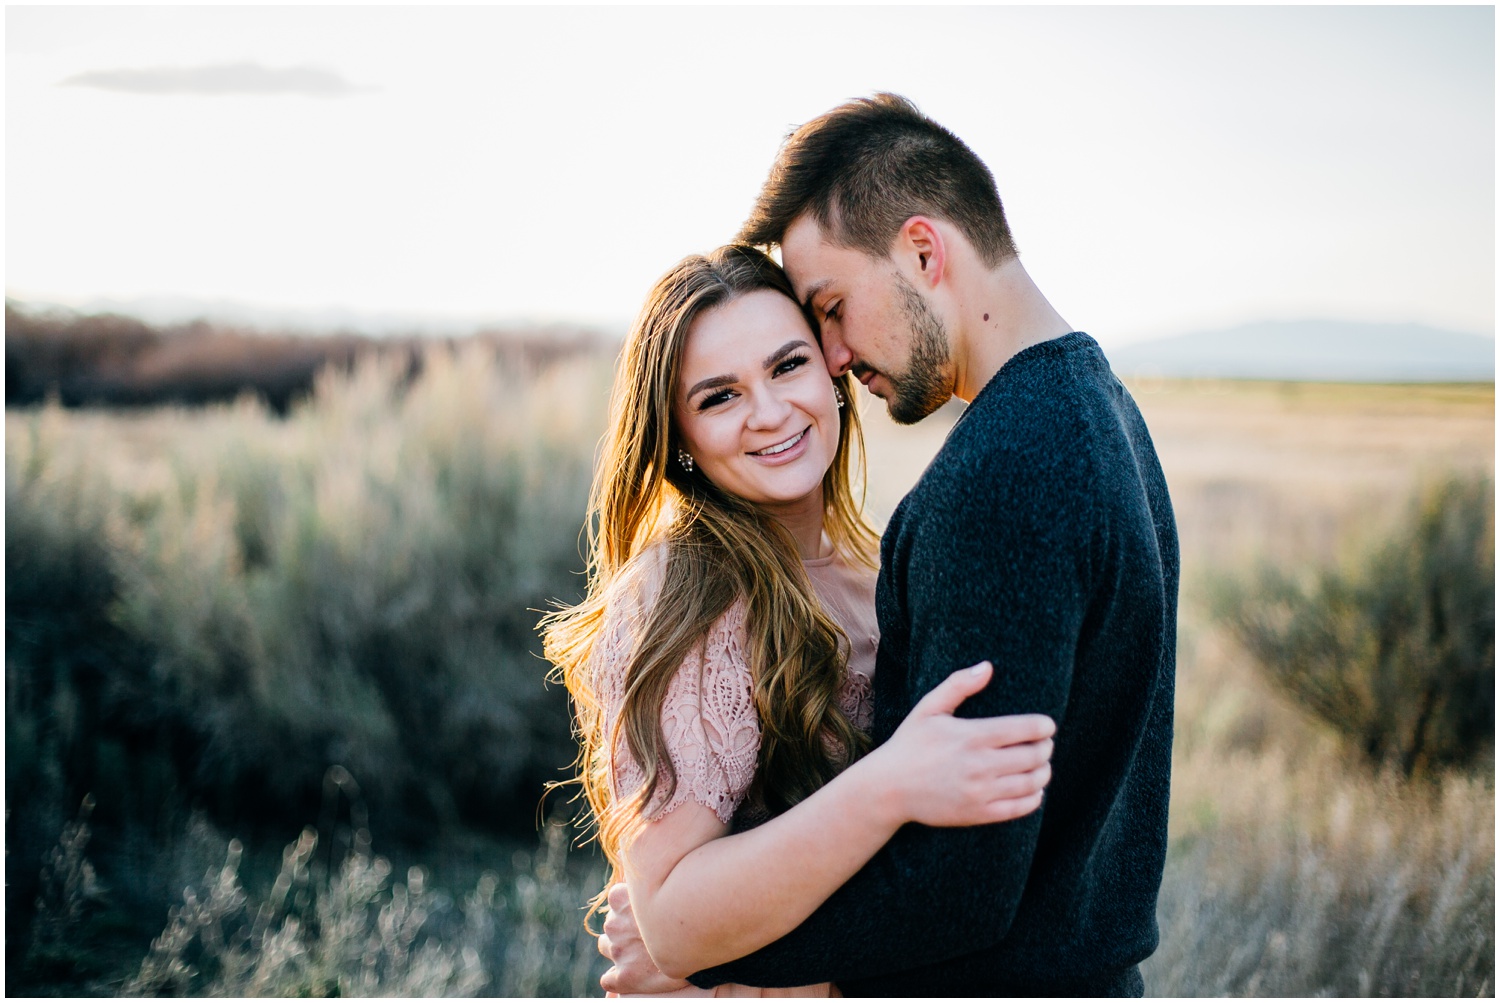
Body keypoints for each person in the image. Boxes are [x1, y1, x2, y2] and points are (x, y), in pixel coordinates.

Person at [599, 94, 1179, 996]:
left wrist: (709, 955)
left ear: (922, 251)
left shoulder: (989, 480)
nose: (828, 363)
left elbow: (961, 884)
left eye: (807, 339)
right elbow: (677, 904)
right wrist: (687, 939)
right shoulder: (1107, 415)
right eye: (717, 395)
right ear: (677, 432)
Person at [541, 243, 1058, 997]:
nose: (771, 412)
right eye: (719, 397)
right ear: (678, 437)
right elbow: (675, 921)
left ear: (832, 372)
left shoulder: (879, 572)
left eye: (788, 365)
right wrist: (890, 783)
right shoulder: (684, 593)